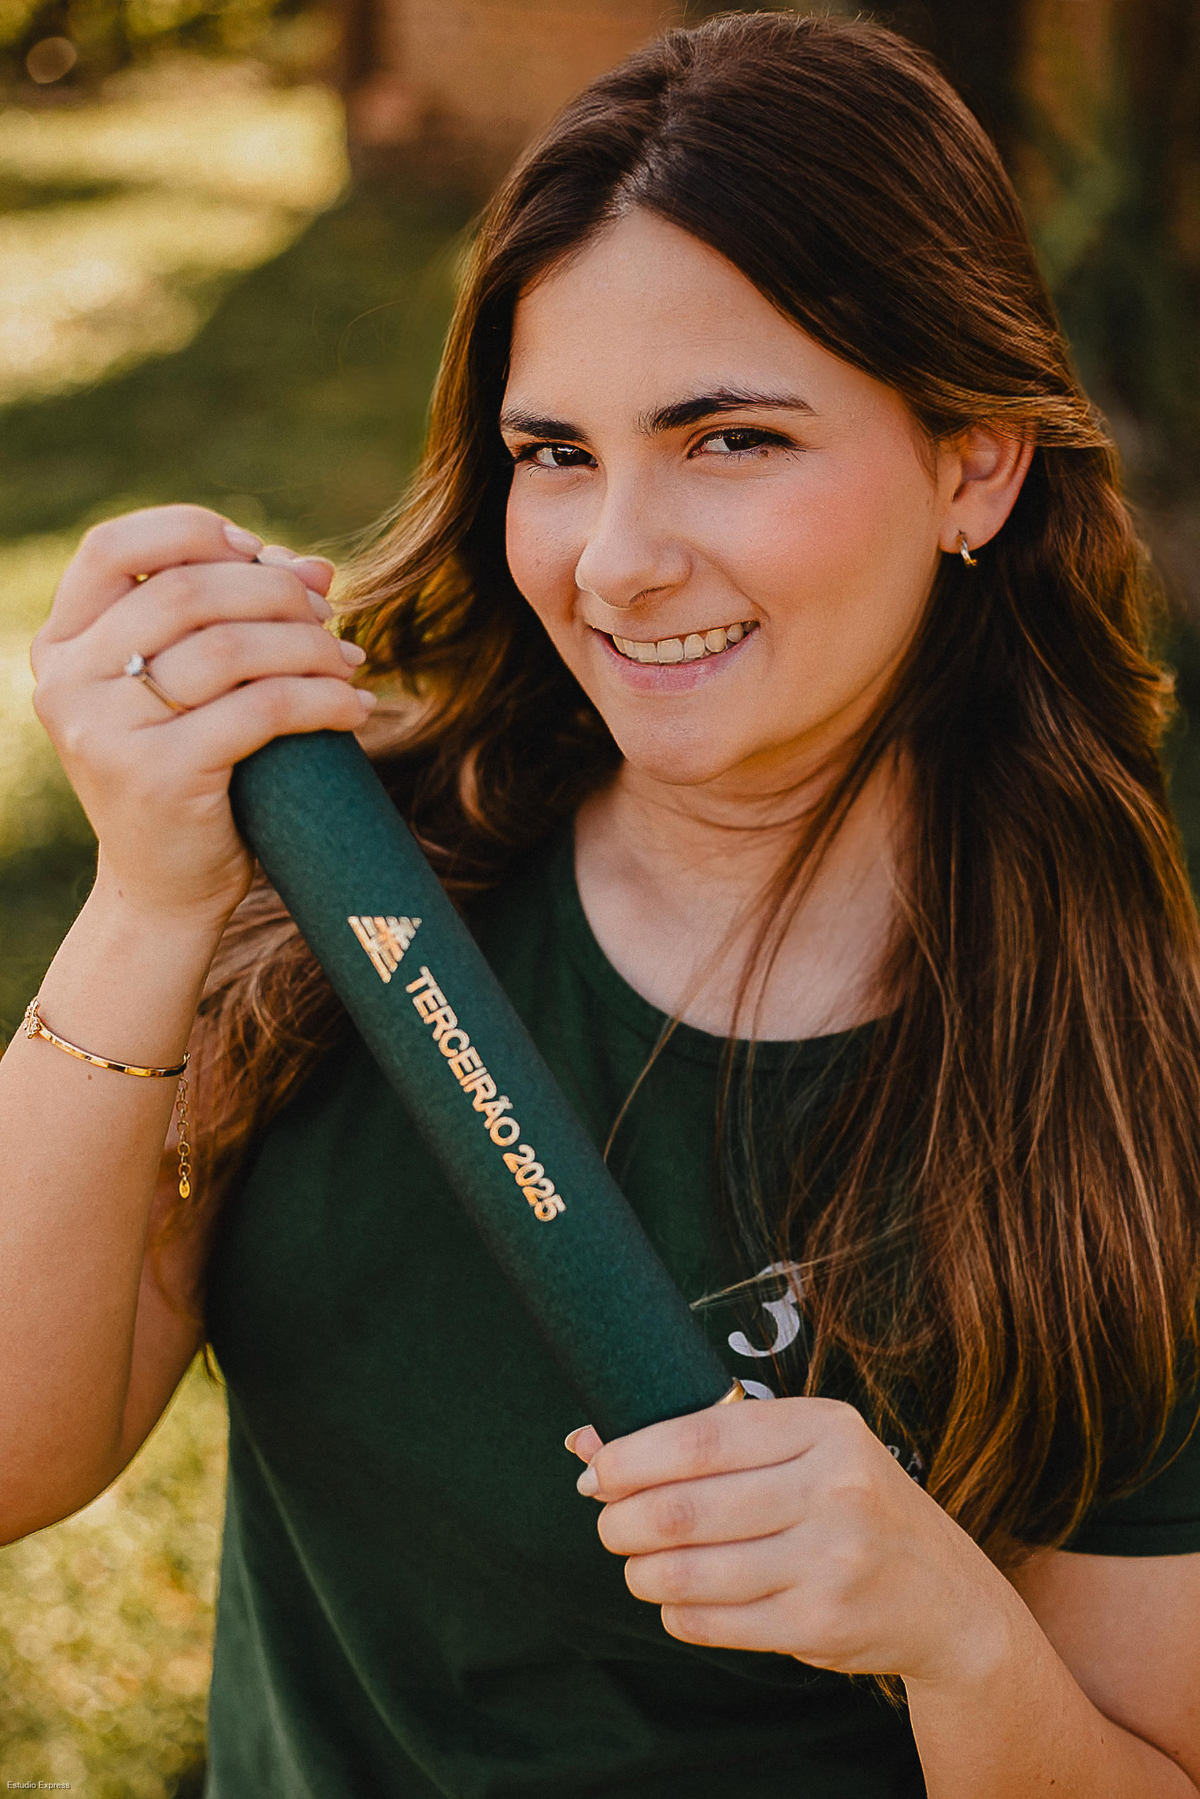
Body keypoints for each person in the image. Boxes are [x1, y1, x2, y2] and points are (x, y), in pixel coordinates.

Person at [2, 10, 1199, 1795]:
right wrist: (150, 904)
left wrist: (958, 1635)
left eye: (730, 440)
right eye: (555, 453)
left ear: (975, 464)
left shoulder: (1124, 1094)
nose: (617, 557)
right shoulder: (357, 885)